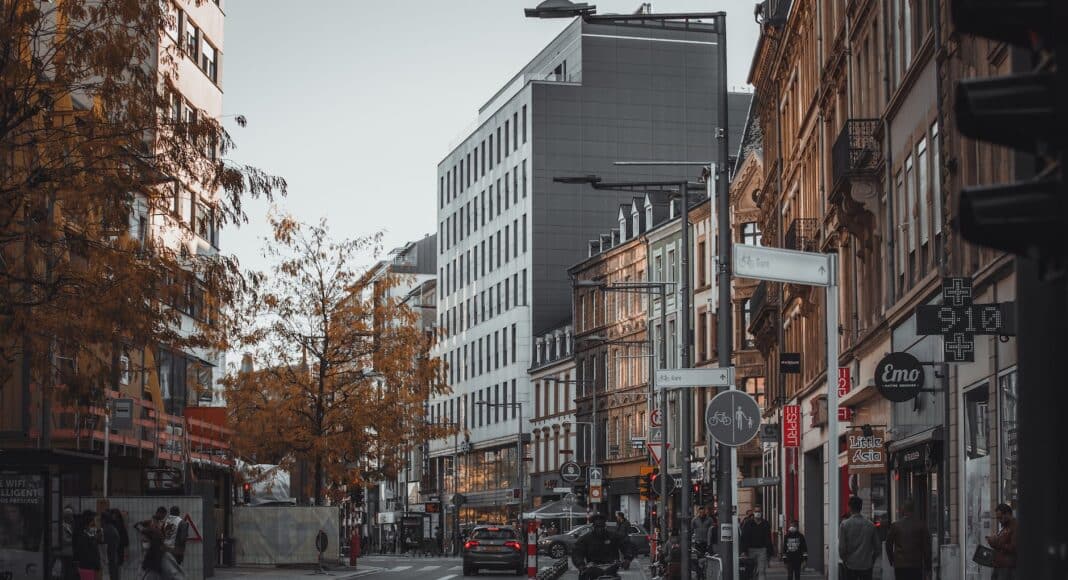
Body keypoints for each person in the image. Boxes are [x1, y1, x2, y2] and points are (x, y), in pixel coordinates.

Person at [572, 513, 629, 580]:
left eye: (602, 527)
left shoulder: (613, 536)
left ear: (605, 526)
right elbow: (577, 551)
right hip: (593, 569)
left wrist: (627, 558)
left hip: (611, 568)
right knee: (583, 576)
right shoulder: (586, 538)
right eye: (597, 527)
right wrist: (580, 564)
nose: (600, 529)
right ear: (593, 527)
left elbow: (626, 544)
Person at [885, 500, 931, 580]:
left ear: (903, 510)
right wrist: (928, 566)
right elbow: (926, 548)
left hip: (900, 564)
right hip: (916, 564)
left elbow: (888, 544)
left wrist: (892, 559)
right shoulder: (921, 525)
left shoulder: (895, 525)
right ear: (913, 510)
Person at [839, 496, 880, 580]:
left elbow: (842, 548)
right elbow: (878, 548)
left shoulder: (844, 525)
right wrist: (872, 560)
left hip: (850, 565)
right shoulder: (870, 525)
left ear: (849, 507)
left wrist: (845, 560)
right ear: (861, 507)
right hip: (866, 565)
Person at [739, 506, 773, 580]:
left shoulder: (765, 523)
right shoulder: (748, 523)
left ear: (761, 513)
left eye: (759, 511)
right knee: (750, 571)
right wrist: (743, 551)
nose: (758, 513)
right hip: (750, 550)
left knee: (762, 571)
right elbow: (744, 538)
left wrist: (769, 552)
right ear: (753, 513)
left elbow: (768, 538)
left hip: (762, 550)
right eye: (756, 511)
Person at [987, 503, 1017, 580]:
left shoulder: (1015, 526)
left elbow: (1013, 547)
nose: (999, 520)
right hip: (1000, 566)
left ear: (1007, 514)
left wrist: (997, 543)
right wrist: (993, 542)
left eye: (1000, 518)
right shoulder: (1004, 527)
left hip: (1007, 568)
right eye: (998, 518)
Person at [72, 511, 102, 580]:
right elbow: (91, 552)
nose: (97, 523)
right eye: (97, 520)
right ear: (91, 522)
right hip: (88, 566)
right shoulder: (84, 536)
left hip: (86, 566)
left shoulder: (83, 534)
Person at [100, 511, 121, 580]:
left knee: (110, 574)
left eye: (100, 519)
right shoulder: (113, 528)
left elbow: (101, 543)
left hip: (108, 556)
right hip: (113, 554)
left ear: (104, 520)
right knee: (114, 574)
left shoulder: (105, 530)